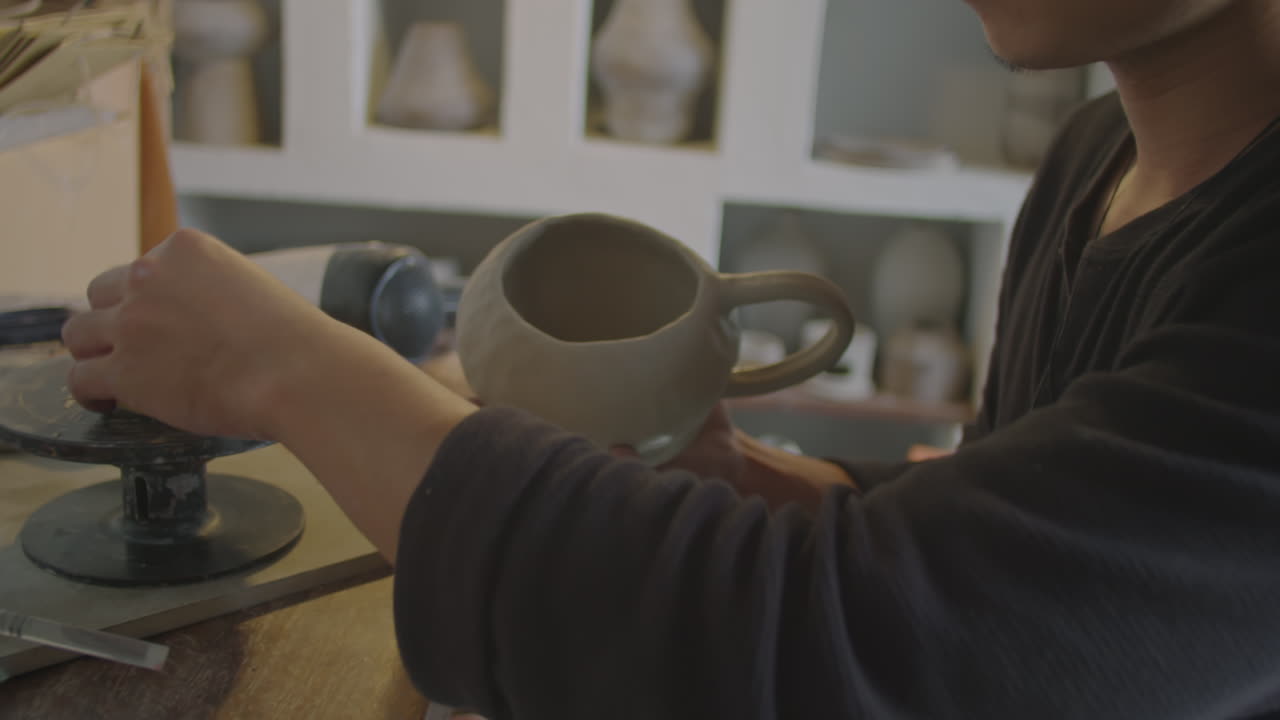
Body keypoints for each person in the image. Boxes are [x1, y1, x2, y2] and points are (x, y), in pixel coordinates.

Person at [58, 0, 1280, 716]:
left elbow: (841, 652)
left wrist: (285, 366)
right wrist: (761, 486)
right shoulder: (1091, 157)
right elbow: (1030, 565)